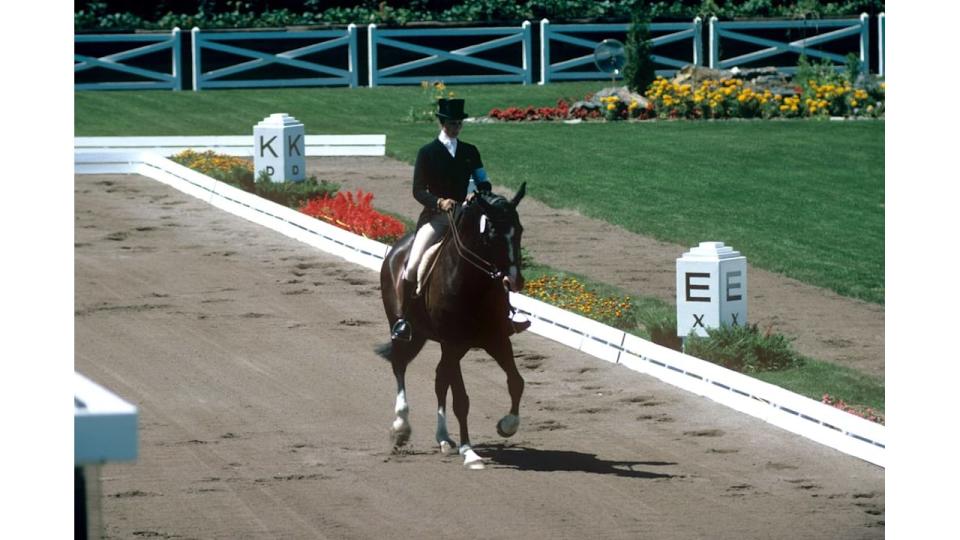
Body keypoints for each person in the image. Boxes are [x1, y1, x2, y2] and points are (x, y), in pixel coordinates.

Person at [391, 98, 530, 341]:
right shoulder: (427, 153)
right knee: (413, 264)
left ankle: (507, 312)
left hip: (464, 216)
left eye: (459, 124)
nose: (456, 128)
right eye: (452, 124)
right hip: (436, 219)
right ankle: (405, 319)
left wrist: (475, 193)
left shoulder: (470, 151)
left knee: (492, 258)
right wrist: (439, 202)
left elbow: (483, 181)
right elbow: (418, 190)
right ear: (442, 123)